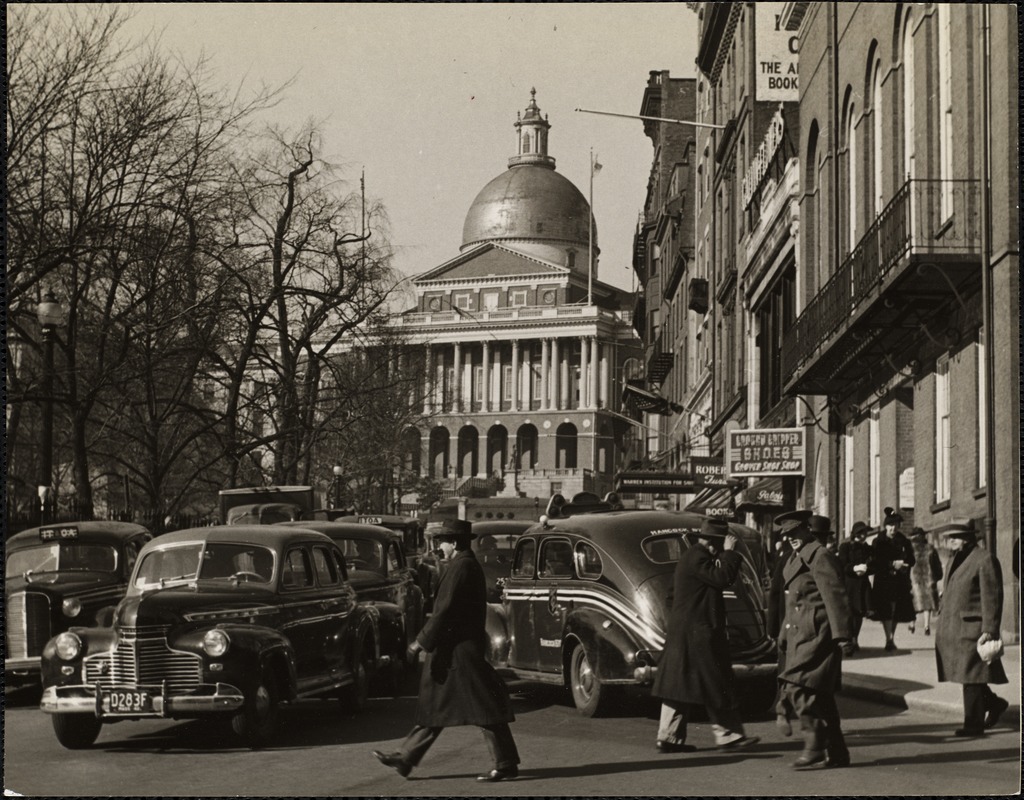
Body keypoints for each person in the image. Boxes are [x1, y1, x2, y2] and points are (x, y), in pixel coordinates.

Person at [372, 519, 520, 782]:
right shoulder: (461, 564)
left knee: (484, 708)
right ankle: (405, 758)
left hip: (460, 652)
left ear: (454, 543)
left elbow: (445, 611)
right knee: (435, 706)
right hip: (454, 650)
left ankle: (506, 763)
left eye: (442, 541)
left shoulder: (463, 566)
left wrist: (420, 642)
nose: (439, 546)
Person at [651, 517, 760, 754]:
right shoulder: (698, 557)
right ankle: (728, 735)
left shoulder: (691, 558)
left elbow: (671, 596)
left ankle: (668, 736)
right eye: (721, 544)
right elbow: (723, 579)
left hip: (687, 633)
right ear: (715, 542)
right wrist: (731, 554)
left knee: (679, 685)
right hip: (698, 634)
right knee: (716, 682)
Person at [775, 510, 854, 770]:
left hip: (818, 633)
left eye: (795, 533)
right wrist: (784, 634)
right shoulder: (796, 559)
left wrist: (843, 635)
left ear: (806, 530)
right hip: (801, 633)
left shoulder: (820, 556)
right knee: (821, 696)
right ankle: (838, 753)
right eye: (787, 535)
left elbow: (836, 597)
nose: (791, 539)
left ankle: (815, 743)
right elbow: (792, 603)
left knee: (797, 686)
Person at [934, 521, 1010, 737]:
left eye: (955, 537)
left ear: (967, 538)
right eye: (950, 537)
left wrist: (990, 628)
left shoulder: (984, 559)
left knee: (972, 676)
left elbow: (992, 596)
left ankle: (973, 725)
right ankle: (994, 704)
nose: (951, 541)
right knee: (968, 675)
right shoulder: (954, 560)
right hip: (955, 628)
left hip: (974, 628)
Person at [869, 507, 916, 651]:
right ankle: (888, 637)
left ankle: (891, 637)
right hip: (884, 579)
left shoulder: (904, 541)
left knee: (896, 609)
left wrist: (905, 565)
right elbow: (875, 560)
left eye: (895, 525)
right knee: (885, 608)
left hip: (899, 580)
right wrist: (891, 564)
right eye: (890, 525)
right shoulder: (878, 541)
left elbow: (912, 559)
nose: (893, 528)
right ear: (885, 526)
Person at [837, 521, 872, 653]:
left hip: (862, 584)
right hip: (849, 584)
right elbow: (842, 565)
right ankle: (850, 639)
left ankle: (855, 638)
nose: (864, 536)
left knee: (859, 613)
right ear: (855, 534)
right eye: (861, 533)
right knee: (850, 612)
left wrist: (866, 568)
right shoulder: (845, 547)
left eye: (865, 533)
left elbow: (874, 564)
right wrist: (854, 568)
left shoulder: (866, 548)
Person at [908, 527, 942, 635]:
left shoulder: (910, 549)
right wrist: (937, 576)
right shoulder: (930, 548)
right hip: (929, 578)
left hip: (914, 579)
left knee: (913, 602)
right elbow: (937, 565)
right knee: (927, 603)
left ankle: (912, 624)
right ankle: (926, 625)